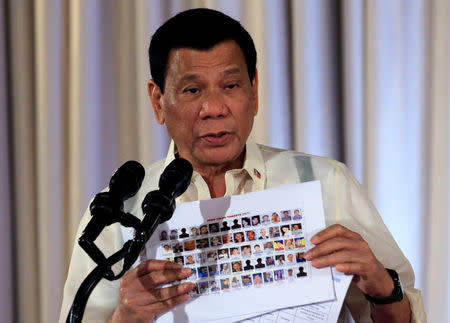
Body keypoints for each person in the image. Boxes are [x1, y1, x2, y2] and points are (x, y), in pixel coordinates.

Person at [60, 8, 424, 323]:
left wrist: (381, 285)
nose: (215, 108)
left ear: (254, 90)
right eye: (193, 90)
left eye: (231, 85)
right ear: (157, 100)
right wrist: (126, 316)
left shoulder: (324, 182)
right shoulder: (118, 211)